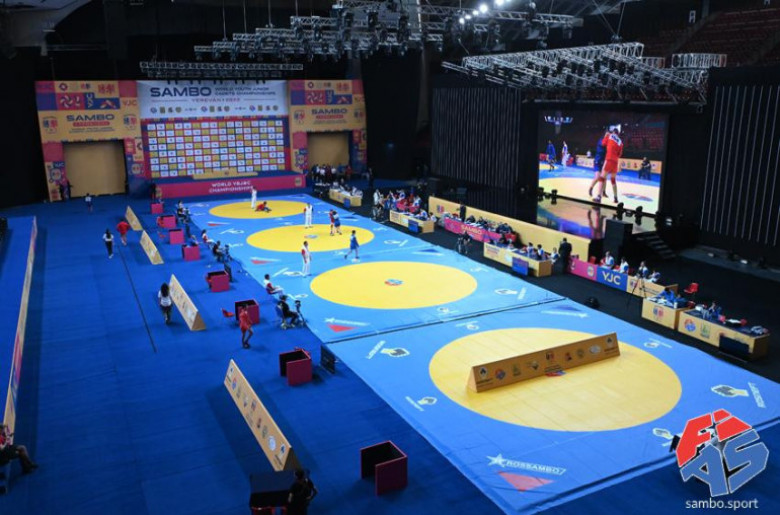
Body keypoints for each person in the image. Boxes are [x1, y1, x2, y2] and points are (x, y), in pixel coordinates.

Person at [595, 128, 624, 203]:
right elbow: (620, 154)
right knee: (613, 180)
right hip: (615, 162)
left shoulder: (609, 135)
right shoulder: (620, 142)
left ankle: (598, 197)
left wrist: (606, 136)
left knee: (602, 178)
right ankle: (616, 198)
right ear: (618, 134)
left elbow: (603, 144)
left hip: (609, 159)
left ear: (613, 132)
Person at [588, 133, 607, 198]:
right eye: (607, 135)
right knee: (597, 177)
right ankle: (591, 188)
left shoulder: (606, 142)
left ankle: (603, 192)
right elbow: (603, 145)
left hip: (603, 162)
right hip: (598, 161)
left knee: (604, 178)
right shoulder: (601, 141)